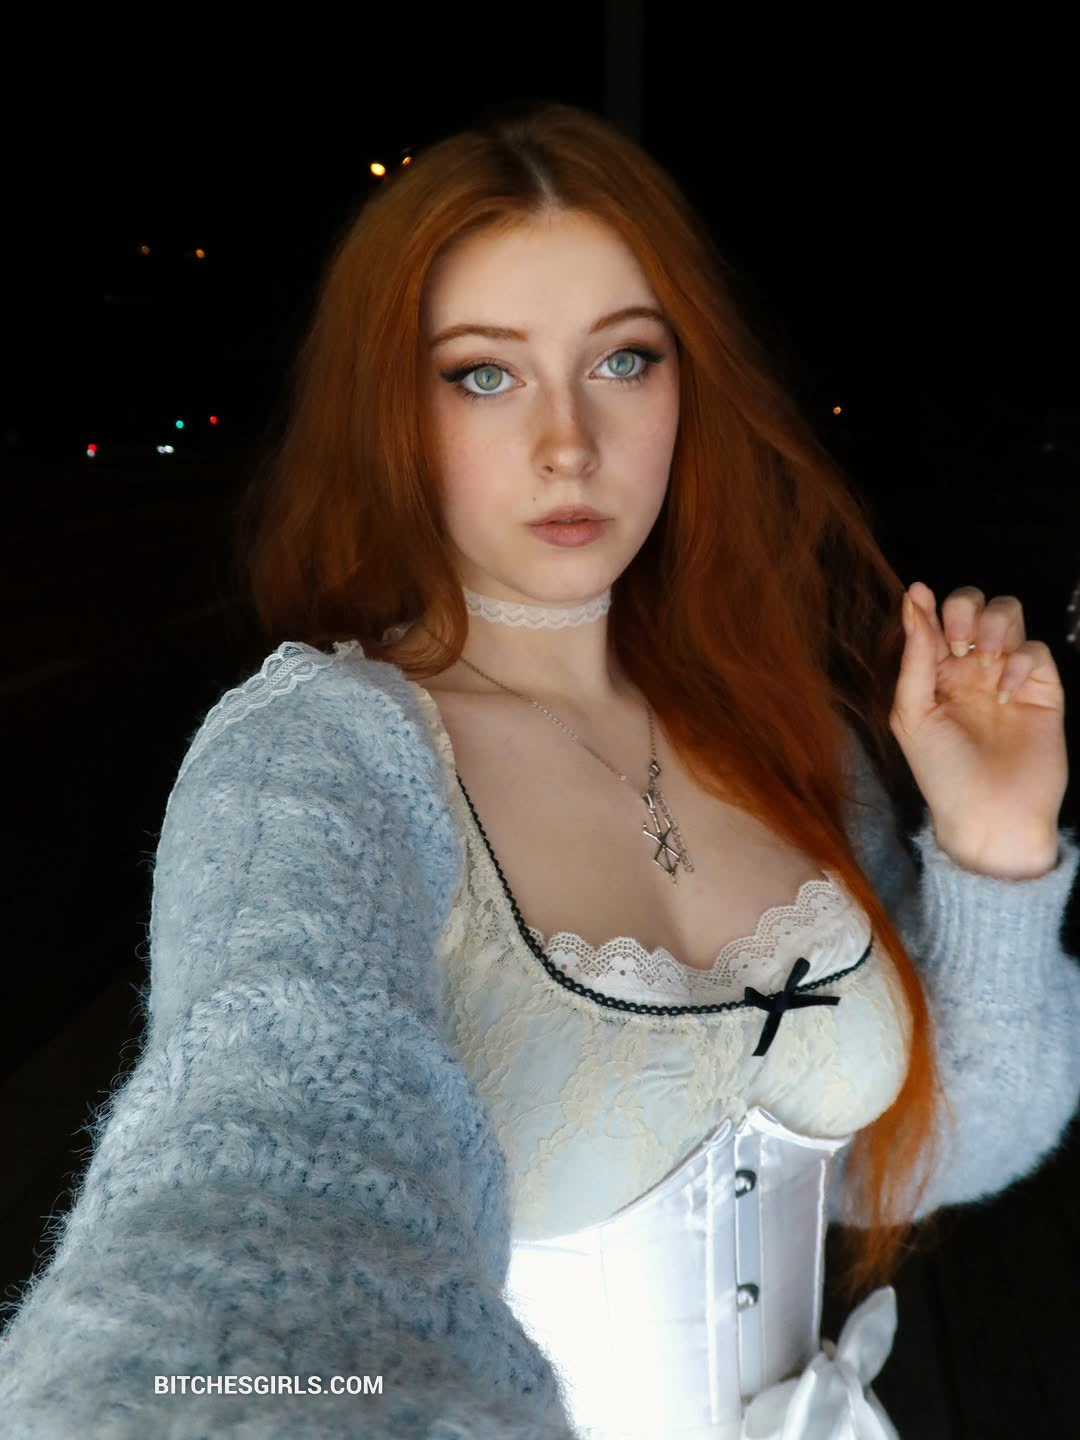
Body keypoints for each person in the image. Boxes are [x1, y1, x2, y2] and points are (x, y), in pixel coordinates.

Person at [1, 99, 1077, 1439]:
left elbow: (910, 1162)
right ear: (388, 412)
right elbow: (233, 1223)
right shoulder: (315, 762)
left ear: (689, 385)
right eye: (483, 374)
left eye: (624, 360)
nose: (569, 442)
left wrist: (994, 842)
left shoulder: (788, 728)